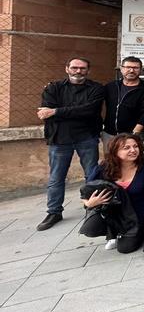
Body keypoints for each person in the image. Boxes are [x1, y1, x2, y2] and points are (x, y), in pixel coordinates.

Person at [37, 57, 105, 231]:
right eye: (74, 67)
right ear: (67, 68)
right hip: (60, 139)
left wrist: (57, 112)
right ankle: (54, 211)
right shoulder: (53, 88)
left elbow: (89, 110)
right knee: (56, 177)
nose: (78, 71)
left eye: (82, 68)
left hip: (87, 137)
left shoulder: (96, 88)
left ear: (88, 70)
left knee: (92, 174)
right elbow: (46, 111)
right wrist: (62, 112)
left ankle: (93, 207)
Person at [80, 133, 144, 253]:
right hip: (116, 214)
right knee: (91, 227)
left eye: (135, 146)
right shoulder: (104, 168)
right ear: (115, 151)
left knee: (125, 248)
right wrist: (89, 203)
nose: (133, 150)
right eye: (126, 148)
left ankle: (141, 231)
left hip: (141, 215)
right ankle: (113, 233)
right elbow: (86, 192)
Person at [102, 56, 144, 148]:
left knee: (132, 160)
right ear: (121, 69)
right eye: (128, 67)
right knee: (110, 160)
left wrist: (136, 132)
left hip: (132, 133)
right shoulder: (111, 86)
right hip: (109, 133)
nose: (131, 70)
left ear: (141, 70)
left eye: (135, 68)